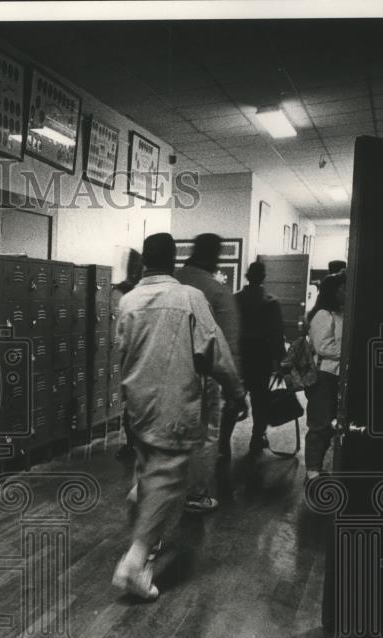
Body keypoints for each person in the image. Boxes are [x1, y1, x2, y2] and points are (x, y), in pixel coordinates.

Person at [112, 233, 247, 600]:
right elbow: (215, 351)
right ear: (173, 262)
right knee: (169, 480)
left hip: (139, 407)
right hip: (176, 405)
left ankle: (142, 508)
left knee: (154, 470)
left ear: (144, 263)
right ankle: (136, 563)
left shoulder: (128, 301)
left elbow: (123, 352)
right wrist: (236, 392)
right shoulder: (190, 298)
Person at [173, 233, 243, 513]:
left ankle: (158, 489)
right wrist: (236, 389)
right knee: (204, 436)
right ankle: (194, 495)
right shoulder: (217, 292)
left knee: (167, 435)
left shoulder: (172, 283)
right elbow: (225, 346)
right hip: (202, 376)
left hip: (164, 370)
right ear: (216, 257)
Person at [221, 261, 286, 455]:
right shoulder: (270, 301)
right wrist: (280, 362)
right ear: (263, 277)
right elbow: (276, 334)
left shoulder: (235, 299)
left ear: (247, 276)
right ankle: (257, 438)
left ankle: (224, 442)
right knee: (260, 400)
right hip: (261, 355)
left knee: (233, 398)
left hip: (240, 354)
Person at [304, 271, 346, 480]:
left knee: (329, 424)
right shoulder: (323, 314)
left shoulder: (341, 313)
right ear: (333, 291)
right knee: (319, 423)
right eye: (343, 288)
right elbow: (323, 347)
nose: (346, 292)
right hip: (324, 375)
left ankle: (317, 466)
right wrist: (349, 353)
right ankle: (312, 469)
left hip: (337, 374)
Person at [112, 248, 142, 460]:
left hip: (135, 355)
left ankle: (134, 444)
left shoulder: (134, 291)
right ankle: (133, 444)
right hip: (135, 355)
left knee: (133, 404)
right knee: (132, 404)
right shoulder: (133, 290)